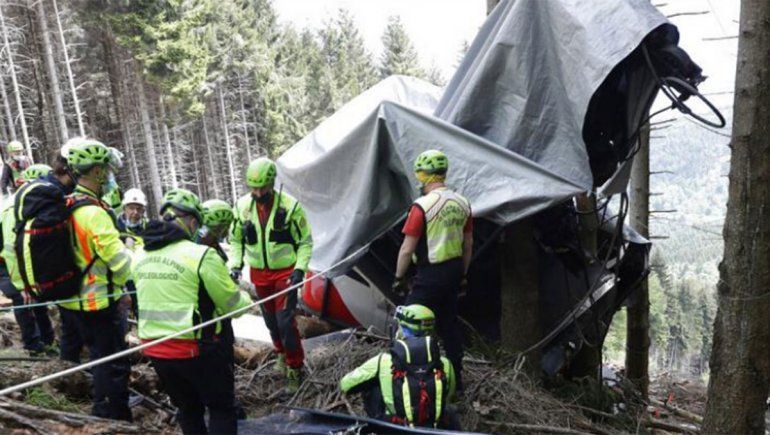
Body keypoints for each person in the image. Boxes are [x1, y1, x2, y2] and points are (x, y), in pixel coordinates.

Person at [135, 188, 252, 435]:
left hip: (156, 349)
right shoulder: (201, 255)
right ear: (191, 221)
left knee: (188, 409)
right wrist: (246, 297)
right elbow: (234, 306)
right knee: (221, 408)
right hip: (198, 349)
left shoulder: (140, 255)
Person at [60, 138, 133, 421]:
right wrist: (132, 258)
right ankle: (113, 416)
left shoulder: (69, 204)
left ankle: (104, 407)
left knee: (98, 359)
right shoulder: (94, 212)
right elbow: (118, 261)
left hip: (76, 299)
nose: (110, 175)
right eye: (106, 169)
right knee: (112, 362)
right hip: (100, 299)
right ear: (96, 172)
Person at [229, 157, 313, 393]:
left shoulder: (290, 207)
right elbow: (235, 240)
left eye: (262, 188)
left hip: (285, 273)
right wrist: (236, 264)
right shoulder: (242, 208)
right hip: (258, 273)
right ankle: (280, 352)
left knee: (286, 322)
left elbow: (305, 242)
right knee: (270, 321)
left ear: (272, 183)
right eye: (253, 188)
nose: (257, 192)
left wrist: (299, 269)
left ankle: (295, 367)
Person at [393, 149, 473, 391]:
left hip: (430, 273)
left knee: (408, 322)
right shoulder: (463, 203)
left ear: (424, 176)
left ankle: (404, 378)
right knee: (448, 324)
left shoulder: (421, 207)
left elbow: (407, 249)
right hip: (454, 271)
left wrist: (398, 278)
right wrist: (463, 276)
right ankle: (456, 381)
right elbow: (468, 244)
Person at [340, 304, 458, 429]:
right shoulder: (445, 364)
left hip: (395, 428)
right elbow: (449, 397)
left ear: (402, 328)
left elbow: (345, 385)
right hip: (432, 428)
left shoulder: (383, 361)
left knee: (374, 385)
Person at [198, 198, 247, 420]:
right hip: (211, 321)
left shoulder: (210, 247)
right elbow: (229, 300)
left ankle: (221, 402)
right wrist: (240, 298)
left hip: (212, 320)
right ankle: (224, 407)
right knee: (219, 366)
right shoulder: (202, 252)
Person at [0, 165, 56, 356]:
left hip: (17, 259)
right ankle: (32, 345)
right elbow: (10, 249)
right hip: (5, 261)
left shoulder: (32, 203)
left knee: (37, 294)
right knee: (21, 298)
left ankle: (47, 340)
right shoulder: (14, 207)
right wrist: (22, 285)